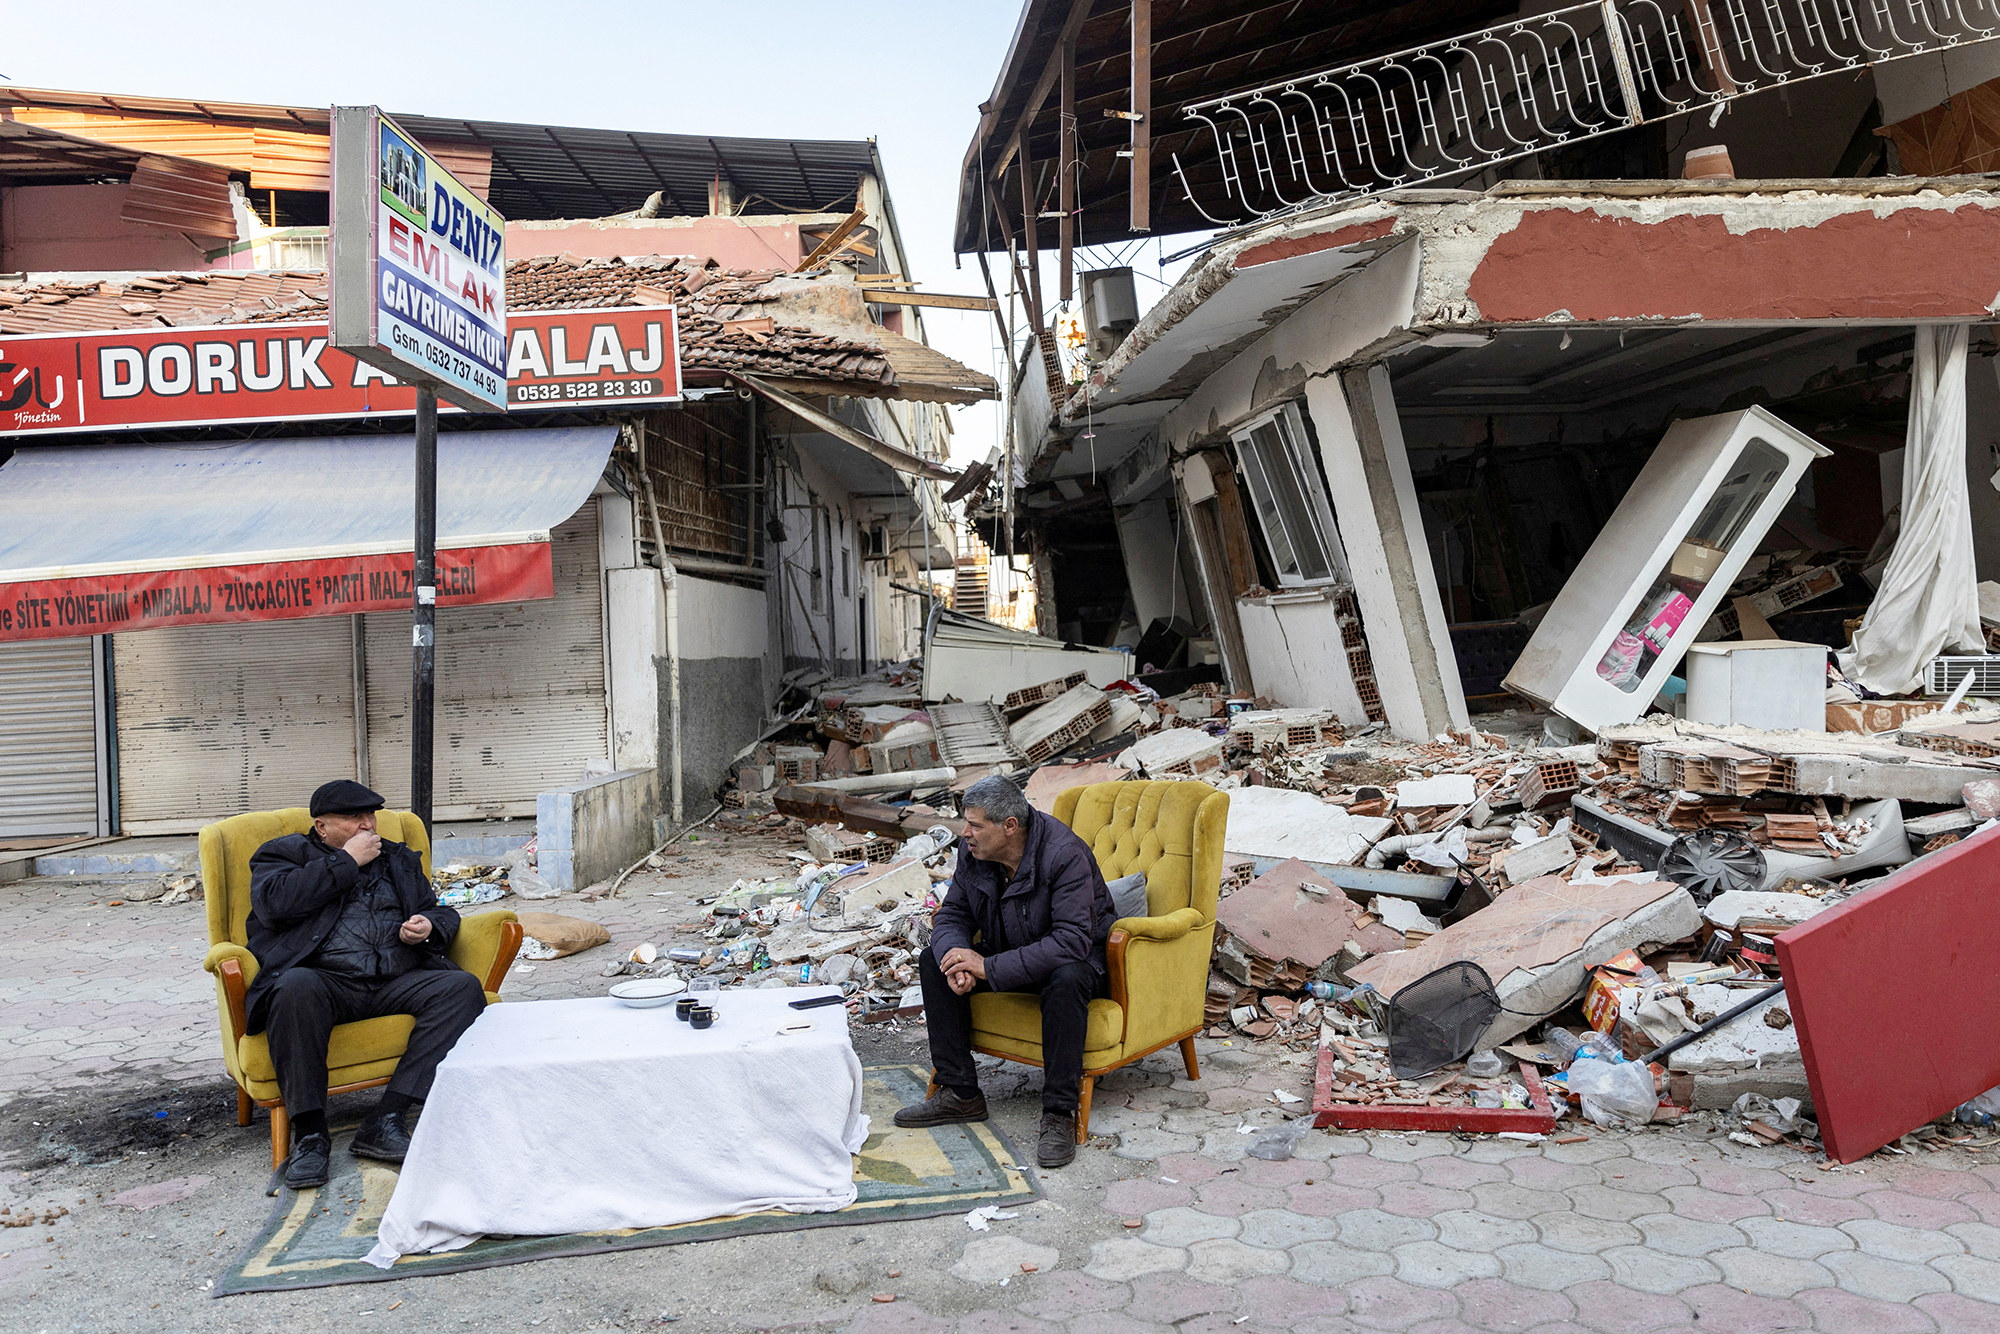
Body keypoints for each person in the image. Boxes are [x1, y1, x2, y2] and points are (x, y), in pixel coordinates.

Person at [246, 780, 487, 1190]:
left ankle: (386, 1118)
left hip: (395, 979)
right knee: (294, 986)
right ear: (321, 826)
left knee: (461, 988)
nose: (368, 825)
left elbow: (436, 910)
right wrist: (344, 862)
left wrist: (428, 928)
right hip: (327, 982)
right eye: (355, 818)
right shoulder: (283, 855)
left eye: (371, 816)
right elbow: (275, 905)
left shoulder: (396, 857)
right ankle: (309, 1134)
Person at [894, 775, 1116, 1168]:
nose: (965, 834)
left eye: (975, 825)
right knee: (933, 960)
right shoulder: (974, 854)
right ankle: (960, 1092)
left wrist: (987, 966)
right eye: (966, 823)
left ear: (1009, 826)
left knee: (1066, 978)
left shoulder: (1064, 854)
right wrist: (958, 957)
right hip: (1009, 950)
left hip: (1076, 962)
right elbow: (954, 913)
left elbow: (1071, 941)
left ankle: (1059, 1113)